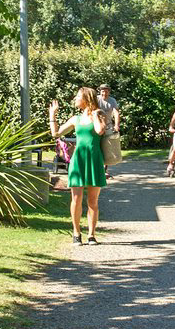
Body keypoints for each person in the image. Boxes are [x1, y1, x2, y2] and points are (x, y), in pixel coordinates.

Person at [49, 88, 107, 245]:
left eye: (78, 97)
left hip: (94, 160)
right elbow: (56, 133)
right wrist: (52, 114)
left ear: (87, 99)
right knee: (76, 198)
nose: (75, 99)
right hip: (78, 160)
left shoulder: (99, 114)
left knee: (93, 201)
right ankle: (76, 233)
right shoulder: (75, 119)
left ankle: (91, 235)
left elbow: (99, 130)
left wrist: (94, 114)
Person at [97, 84, 121, 177]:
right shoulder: (96, 99)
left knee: (108, 147)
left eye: (106, 91)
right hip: (97, 126)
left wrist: (116, 125)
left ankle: (104, 170)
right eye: (103, 91)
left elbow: (116, 113)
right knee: (97, 146)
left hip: (108, 126)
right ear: (100, 91)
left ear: (109, 92)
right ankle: (97, 168)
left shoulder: (112, 101)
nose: (104, 93)